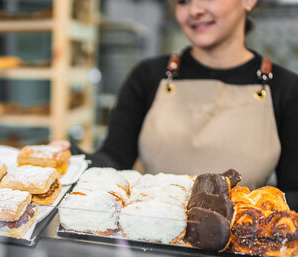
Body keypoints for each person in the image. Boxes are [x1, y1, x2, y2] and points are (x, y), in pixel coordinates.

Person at [73, 0, 298, 209]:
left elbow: (293, 192)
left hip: (241, 244)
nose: (194, 10)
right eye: (182, 1)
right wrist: (71, 158)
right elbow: (114, 161)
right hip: (152, 238)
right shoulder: (148, 76)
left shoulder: (286, 88)